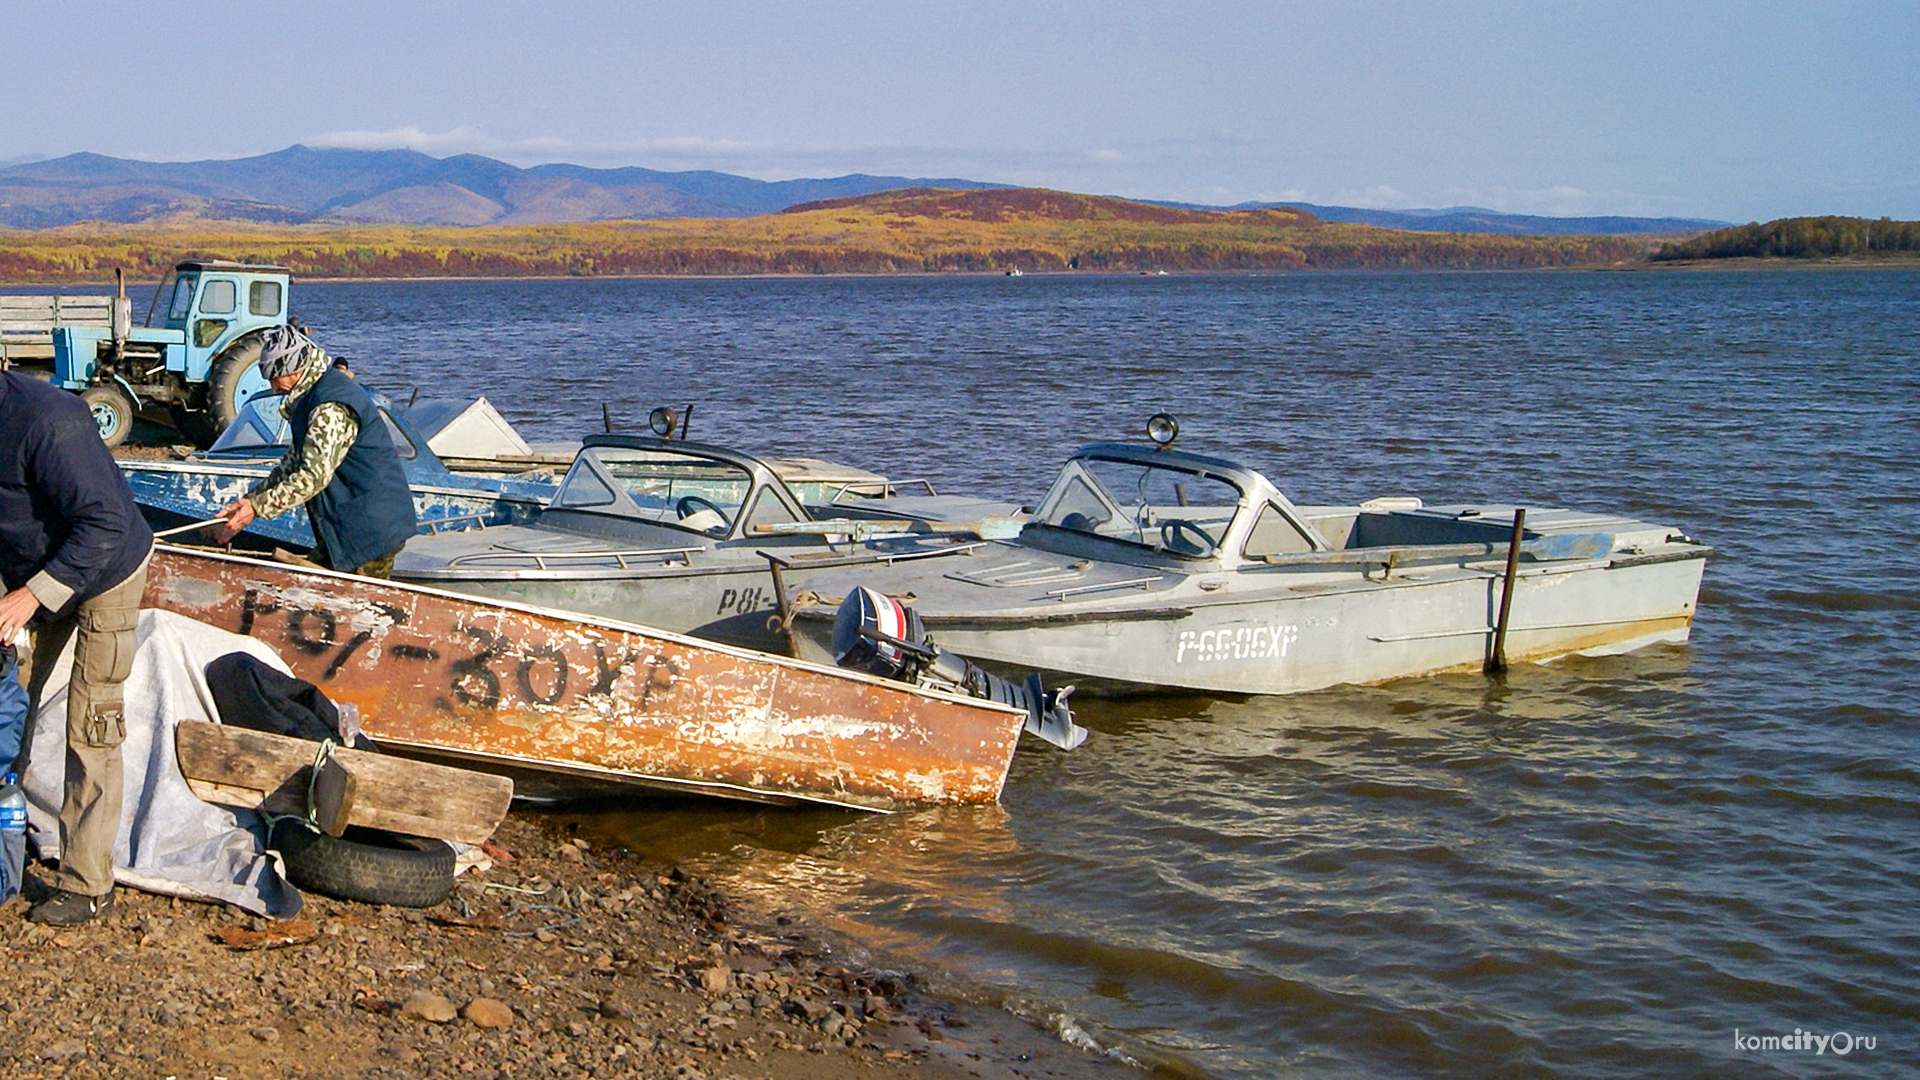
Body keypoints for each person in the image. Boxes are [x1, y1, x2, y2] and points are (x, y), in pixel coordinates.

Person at [0, 370, 155, 925]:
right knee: (6, 701)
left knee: (91, 725)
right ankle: (7, 839)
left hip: (107, 568)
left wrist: (29, 598)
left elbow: (106, 523)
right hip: (28, 561)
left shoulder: (49, 421)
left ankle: (88, 883)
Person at [216, 328, 415, 577]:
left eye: (273, 377)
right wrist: (248, 500)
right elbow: (293, 465)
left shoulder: (329, 406)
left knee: (355, 603)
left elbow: (312, 476)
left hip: (372, 529)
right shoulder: (313, 394)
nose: (274, 388)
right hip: (349, 527)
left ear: (292, 369)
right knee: (311, 587)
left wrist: (256, 509)